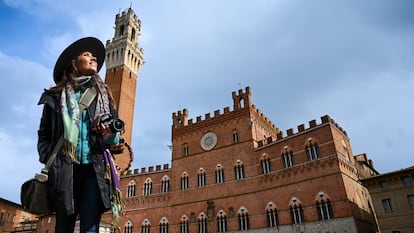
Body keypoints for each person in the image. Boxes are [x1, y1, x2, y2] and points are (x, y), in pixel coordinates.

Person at [37, 37, 123, 233]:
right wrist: (47, 156)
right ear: (74, 64)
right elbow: (44, 133)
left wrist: (109, 135)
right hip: (65, 169)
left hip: (95, 169)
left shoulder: (103, 95)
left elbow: (115, 137)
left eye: (94, 56)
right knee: (64, 226)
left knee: (91, 226)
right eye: (87, 55)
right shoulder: (55, 97)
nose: (94, 58)